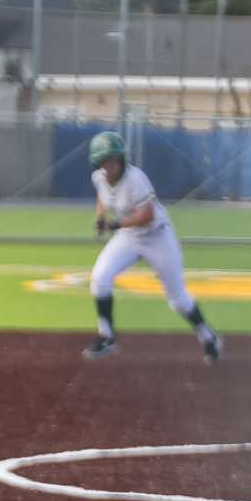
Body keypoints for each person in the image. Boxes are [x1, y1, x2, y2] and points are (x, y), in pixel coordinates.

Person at [81, 130, 223, 364]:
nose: (110, 164)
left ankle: (208, 336)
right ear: (98, 163)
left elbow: (147, 215)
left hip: (158, 237)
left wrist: (115, 224)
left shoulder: (134, 179)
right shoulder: (99, 178)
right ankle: (106, 337)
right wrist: (100, 217)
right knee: (99, 278)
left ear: (121, 158)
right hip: (129, 237)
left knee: (177, 298)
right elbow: (103, 198)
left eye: (114, 158)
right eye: (105, 160)